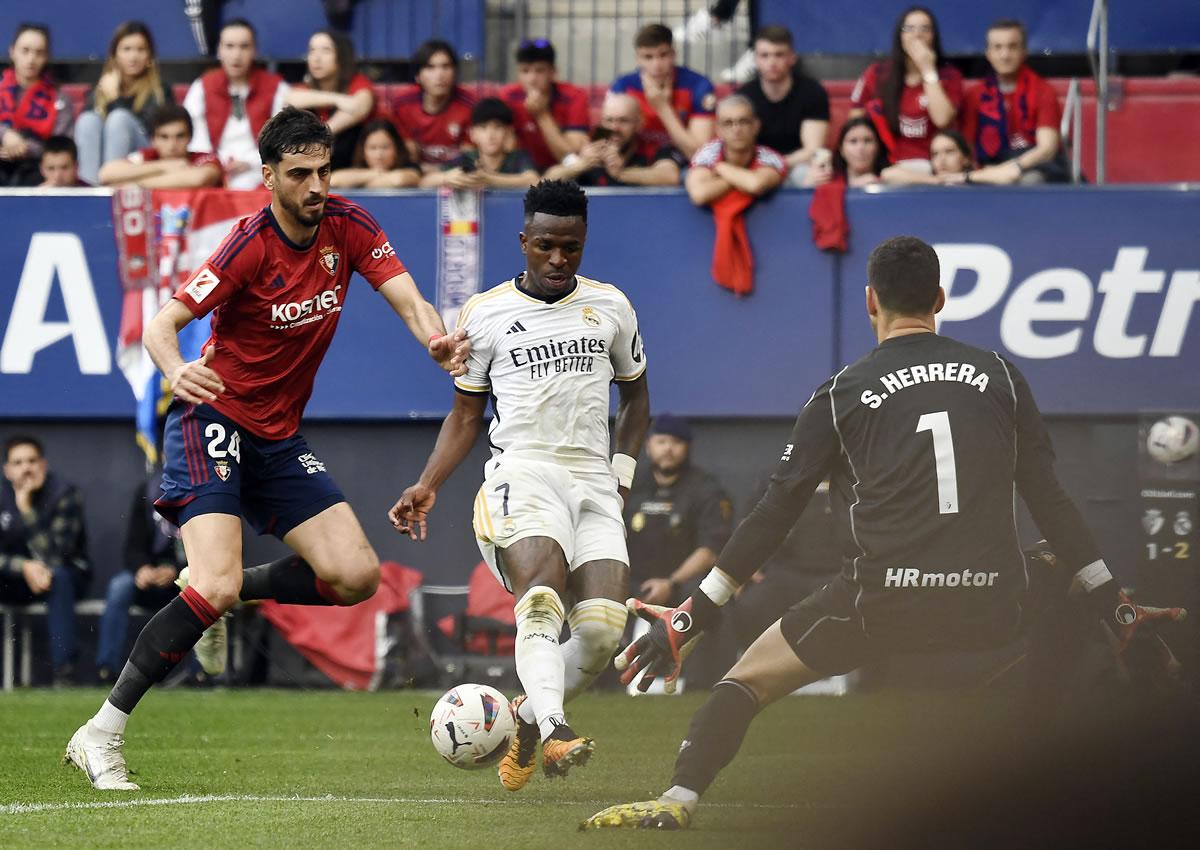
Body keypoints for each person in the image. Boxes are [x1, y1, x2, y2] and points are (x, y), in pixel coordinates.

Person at [583, 235, 1187, 830]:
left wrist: (693, 615)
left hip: (879, 602)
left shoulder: (841, 393)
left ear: (871, 301)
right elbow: (1050, 499)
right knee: (1063, 573)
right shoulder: (1001, 377)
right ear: (941, 299)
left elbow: (776, 508)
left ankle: (677, 799)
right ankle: (1057, 728)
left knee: (742, 682)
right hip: (993, 601)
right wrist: (1115, 606)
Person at [64, 106, 469, 791]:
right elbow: (165, 324)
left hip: (278, 437)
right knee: (214, 581)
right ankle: (100, 734)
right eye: (301, 174)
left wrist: (434, 339)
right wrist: (172, 367)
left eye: (324, 170)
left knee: (355, 577)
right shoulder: (247, 244)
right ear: (270, 176)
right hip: (212, 418)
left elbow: (410, 301)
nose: (316, 186)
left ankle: (219, 595)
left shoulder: (350, 224)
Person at [389, 180, 651, 792]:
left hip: (594, 479)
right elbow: (464, 416)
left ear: (584, 244)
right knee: (540, 597)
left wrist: (622, 476)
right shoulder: (483, 313)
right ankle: (557, 727)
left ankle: (524, 724)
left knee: (603, 632)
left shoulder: (612, 305)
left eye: (572, 248)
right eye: (547, 246)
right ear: (524, 241)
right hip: (521, 472)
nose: (559, 260)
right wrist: (428, 483)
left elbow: (637, 400)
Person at [0, 436, 89, 684]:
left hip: (60, 580)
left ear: (43, 465)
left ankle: (65, 673)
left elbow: (56, 556)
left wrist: (26, 508)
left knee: (58, 577)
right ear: (7, 471)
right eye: (17, 463)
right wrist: (23, 566)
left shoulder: (64, 494)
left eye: (32, 461)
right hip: (13, 580)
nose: (26, 468)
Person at [625, 414, 732, 608]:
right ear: (648, 446)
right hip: (630, 587)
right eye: (661, 441)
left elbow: (710, 550)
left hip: (683, 588)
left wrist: (671, 583)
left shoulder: (706, 489)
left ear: (688, 447)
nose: (668, 448)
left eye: (676, 442)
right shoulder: (630, 485)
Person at [94, 466, 187, 684]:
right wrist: (142, 568)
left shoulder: (204, 492)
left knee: (203, 585)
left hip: (186, 575)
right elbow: (133, 546)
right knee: (120, 586)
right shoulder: (148, 490)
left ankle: (201, 673)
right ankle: (106, 668)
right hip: (150, 576)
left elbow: (209, 549)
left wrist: (176, 569)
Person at [850, 6, 963, 170]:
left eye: (925, 29)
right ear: (900, 37)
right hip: (887, 166)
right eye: (909, 28)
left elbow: (942, 120)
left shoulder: (950, 76)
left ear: (934, 37)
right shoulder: (877, 74)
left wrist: (928, 70)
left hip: (935, 166)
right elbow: (855, 123)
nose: (917, 34)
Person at [182, 19, 289, 190]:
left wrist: (251, 161)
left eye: (244, 46)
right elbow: (193, 136)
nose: (236, 55)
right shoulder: (202, 86)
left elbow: (282, 139)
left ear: (255, 50)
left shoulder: (276, 87)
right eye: (229, 46)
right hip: (212, 170)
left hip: (260, 170)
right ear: (219, 50)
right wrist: (216, 162)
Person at [961, 19, 1066, 185]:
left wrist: (1011, 169)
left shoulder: (1043, 91)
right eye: (997, 47)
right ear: (988, 53)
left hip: (1032, 167)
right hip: (988, 167)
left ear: (1024, 51)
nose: (1005, 55)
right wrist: (984, 174)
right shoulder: (974, 95)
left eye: (1012, 47)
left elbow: (1047, 149)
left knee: (1031, 181)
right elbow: (967, 147)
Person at [74, 21, 174, 185]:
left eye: (140, 50)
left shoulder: (160, 91)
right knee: (88, 120)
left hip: (143, 160)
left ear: (149, 55)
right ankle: (90, 192)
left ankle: (113, 187)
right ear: (115, 54)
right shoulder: (101, 88)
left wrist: (115, 99)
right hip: (99, 167)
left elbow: (153, 133)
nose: (133, 57)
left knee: (119, 118)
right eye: (126, 49)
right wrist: (106, 97)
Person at [735, 25, 829, 186]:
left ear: (792, 57)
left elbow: (812, 149)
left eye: (779, 55)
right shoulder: (743, 97)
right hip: (755, 167)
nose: (772, 62)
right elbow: (737, 145)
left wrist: (776, 163)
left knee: (816, 177)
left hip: (797, 166)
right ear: (755, 59)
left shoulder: (812, 92)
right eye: (764, 55)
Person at [610, 24, 715, 160]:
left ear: (673, 54)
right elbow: (606, 138)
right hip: (634, 158)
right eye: (648, 57)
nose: (657, 65)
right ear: (637, 59)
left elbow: (700, 156)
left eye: (663, 55)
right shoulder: (623, 86)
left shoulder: (698, 85)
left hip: (681, 162)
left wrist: (663, 108)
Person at [544, 93, 684, 188]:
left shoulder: (652, 147)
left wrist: (622, 174)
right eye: (609, 120)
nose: (614, 127)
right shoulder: (593, 144)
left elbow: (670, 176)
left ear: (639, 123)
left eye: (623, 121)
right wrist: (581, 165)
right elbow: (546, 181)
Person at [285, 29, 375, 171]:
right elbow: (288, 99)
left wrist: (323, 135)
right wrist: (337, 99)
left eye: (326, 50)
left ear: (342, 56)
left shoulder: (358, 83)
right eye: (312, 50)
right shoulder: (303, 88)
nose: (316, 58)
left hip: (351, 166)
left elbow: (360, 107)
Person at [499, 39, 590, 172]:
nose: (532, 79)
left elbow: (570, 158)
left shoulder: (574, 96)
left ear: (553, 72)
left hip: (564, 173)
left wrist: (542, 115)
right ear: (517, 73)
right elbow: (504, 149)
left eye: (539, 71)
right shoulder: (508, 96)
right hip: (523, 172)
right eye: (525, 71)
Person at [0, 24, 73, 186]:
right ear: (12, 51)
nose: (31, 59)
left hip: (37, 171)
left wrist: (23, 147)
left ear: (46, 57)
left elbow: (61, 146)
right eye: (25, 50)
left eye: (39, 53)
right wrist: (5, 134)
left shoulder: (60, 98)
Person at [685, 95, 786, 207]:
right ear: (718, 129)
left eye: (743, 122)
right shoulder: (708, 154)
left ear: (756, 126)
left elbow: (756, 185)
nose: (736, 129)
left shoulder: (769, 157)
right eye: (728, 123)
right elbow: (699, 194)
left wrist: (721, 168)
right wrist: (742, 179)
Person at [390, 40, 475, 171]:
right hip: (414, 175)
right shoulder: (402, 104)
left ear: (455, 73)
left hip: (456, 176)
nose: (439, 75)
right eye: (430, 67)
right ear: (417, 76)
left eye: (446, 66)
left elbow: (469, 157)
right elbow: (402, 153)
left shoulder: (469, 105)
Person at [420, 98, 539, 190]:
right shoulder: (466, 159)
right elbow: (424, 182)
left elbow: (534, 180)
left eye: (497, 127)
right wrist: (447, 178)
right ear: (472, 134)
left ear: (508, 132)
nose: (490, 135)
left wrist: (488, 178)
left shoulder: (518, 158)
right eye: (483, 128)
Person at [98, 104, 223, 188]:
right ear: (152, 140)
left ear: (190, 137)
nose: (172, 145)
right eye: (164, 137)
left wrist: (134, 184)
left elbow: (199, 179)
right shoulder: (147, 157)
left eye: (180, 136)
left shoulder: (205, 159)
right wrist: (166, 166)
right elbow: (106, 173)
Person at [329, 118, 421, 188]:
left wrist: (362, 182)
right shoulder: (358, 168)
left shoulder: (410, 167)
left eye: (385, 147)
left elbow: (398, 180)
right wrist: (375, 173)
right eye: (373, 148)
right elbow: (334, 180)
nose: (379, 155)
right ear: (363, 150)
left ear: (397, 148)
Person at [803, 116, 888, 188]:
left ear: (878, 147)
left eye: (868, 141)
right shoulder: (824, 179)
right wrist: (808, 185)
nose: (860, 148)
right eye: (853, 141)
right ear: (841, 149)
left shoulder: (891, 179)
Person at [882, 128, 973, 186]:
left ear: (966, 159)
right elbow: (888, 173)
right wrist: (932, 180)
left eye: (949, 151)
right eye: (935, 154)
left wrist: (964, 177)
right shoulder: (928, 170)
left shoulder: (976, 179)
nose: (941, 160)